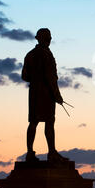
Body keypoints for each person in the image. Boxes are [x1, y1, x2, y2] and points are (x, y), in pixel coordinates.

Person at [21, 28, 68, 163]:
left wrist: (35, 80)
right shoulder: (46, 55)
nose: (49, 40)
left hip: (34, 92)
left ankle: (30, 153)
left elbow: (24, 76)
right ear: (41, 39)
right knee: (49, 122)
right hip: (46, 93)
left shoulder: (30, 54)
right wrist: (57, 95)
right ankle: (51, 152)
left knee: (33, 122)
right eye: (48, 38)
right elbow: (51, 77)